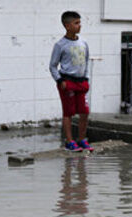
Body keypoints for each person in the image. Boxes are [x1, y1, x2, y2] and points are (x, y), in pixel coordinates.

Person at [49, 10, 92, 152]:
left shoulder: (83, 43)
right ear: (67, 26)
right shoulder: (60, 45)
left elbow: (86, 61)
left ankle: (81, 139)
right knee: (68, 112)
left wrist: (85, 78)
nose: (79, 26)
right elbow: (52, 66)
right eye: (76, 23)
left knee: (84, 111)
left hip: (81, 82)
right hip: (67, 82)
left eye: (80, 22)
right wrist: (60, 80)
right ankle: (69, 141)